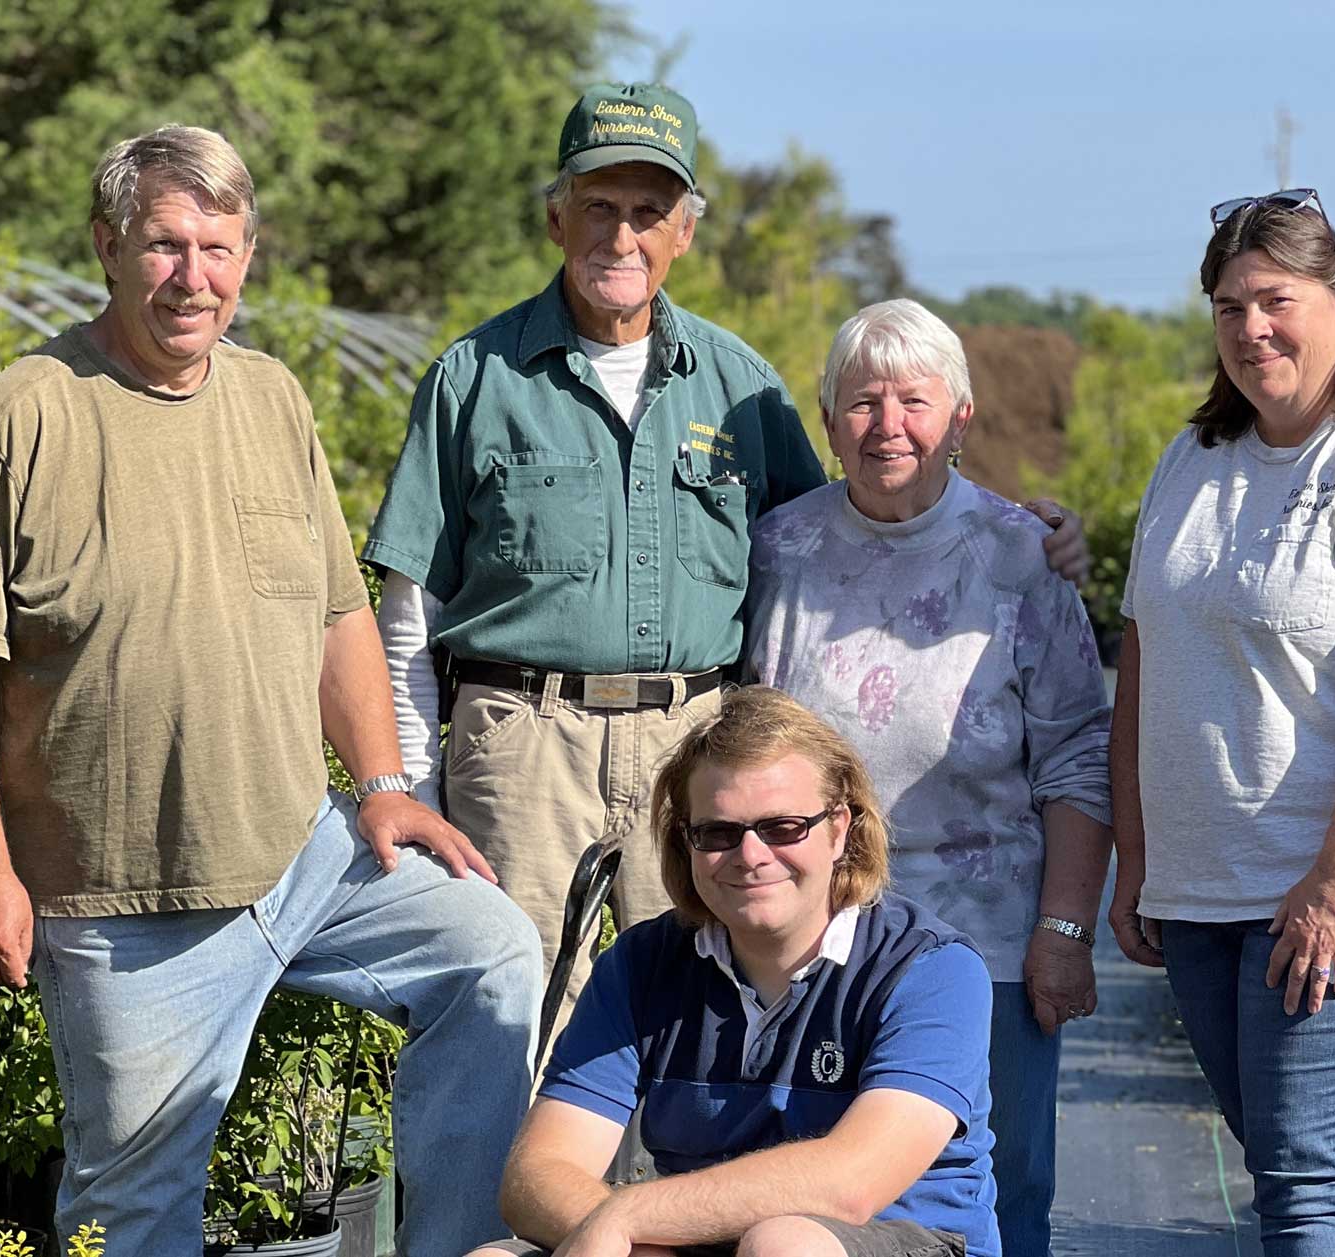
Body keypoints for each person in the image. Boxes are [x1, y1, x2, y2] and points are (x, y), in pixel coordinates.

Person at [0, 125, 542, 1257]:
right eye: (163, 245)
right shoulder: (23, 415)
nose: (192, 277)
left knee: (487, 951)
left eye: (219, 247)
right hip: (125, 903)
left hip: (304, 855)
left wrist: (385, 781)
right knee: (136, 1208)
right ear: (108, 247)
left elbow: (339, 612)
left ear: (249, 257)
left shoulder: (270, 399)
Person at [363, 82, 1091, 1030]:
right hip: (524, 748)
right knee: (514, 1024)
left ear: (685, 233)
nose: (621, 238)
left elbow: (858, 524)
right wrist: (412, 791)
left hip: (697, 749)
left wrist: (1018, 531)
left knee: (704, 1022)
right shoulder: (475, 378)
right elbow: (409, 609)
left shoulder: (741, 389)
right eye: (598, 207)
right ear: (555, 218)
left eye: (648, 212)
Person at [1109, 189, 1335, 1257]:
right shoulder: (1193, 461)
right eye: (1227, 307)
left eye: (1274, 299)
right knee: (1285, 1176)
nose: (1250, 328)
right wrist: (1137, 856)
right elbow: (1146, 658)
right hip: (1205, 886)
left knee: (1310, 1181)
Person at [743, 298, 1112, 1256]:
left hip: (983, 945)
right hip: (805, 946)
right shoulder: (778, 550)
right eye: (862, 402)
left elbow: (1078, 752)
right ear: (827, 421)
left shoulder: (1021, 554)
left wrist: (1063, 933)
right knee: (808, 1197)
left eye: (915, 399)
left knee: (996, 1193)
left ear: (962, 418)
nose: (888, 425)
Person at [472, 685, 998, 1257]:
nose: (750, 855)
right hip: (698, 1241)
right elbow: (538, 1175)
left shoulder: (931, 969)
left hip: (898, 1240)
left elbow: (852, 1184)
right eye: (718, 833)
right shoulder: (641, 963)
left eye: (782, 828)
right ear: (687, 842)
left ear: (840, 828)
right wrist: (639, 1240)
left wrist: (630, 1217)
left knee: (784, 1245)